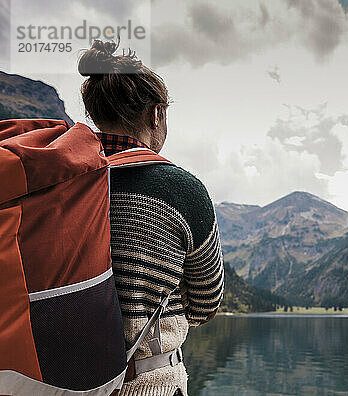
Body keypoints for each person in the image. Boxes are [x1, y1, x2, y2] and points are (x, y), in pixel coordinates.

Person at [78, 40, 224, 396]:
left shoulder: (61, 180)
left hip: (54, 382)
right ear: (156, 114)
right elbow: (206, 303)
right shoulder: (182, 191)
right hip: (147, 383)